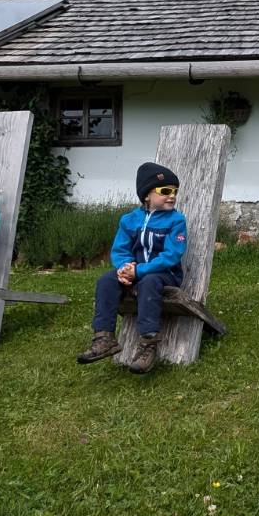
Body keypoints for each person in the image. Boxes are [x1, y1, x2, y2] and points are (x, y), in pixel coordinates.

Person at [76, 161, 189, 375]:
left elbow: (171, 255)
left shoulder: (176, 220)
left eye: (175, 191)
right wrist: (123, 269)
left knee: (149, 281)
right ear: (147, 195)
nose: (172, 196)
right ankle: (104, 338)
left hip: (165, 275)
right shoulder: (129, 220)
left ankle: (148, 344)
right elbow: (120, 249)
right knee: (107, 281)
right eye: (165, 191)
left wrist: (139, 271)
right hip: (135, 273)